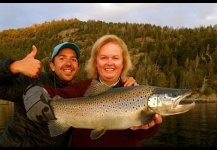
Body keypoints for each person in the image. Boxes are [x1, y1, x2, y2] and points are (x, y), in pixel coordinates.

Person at [0, 41, 137, 147]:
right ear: (52, 65)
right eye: (62, 58)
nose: (68, 63)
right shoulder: (32, 80)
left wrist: (127, 89)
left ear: (77, 66)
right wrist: (14, 66)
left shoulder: (78, 91)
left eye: (73, 59)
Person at [34, 34, 163, 147]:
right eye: (104, 57)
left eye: (115, 58)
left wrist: (149, 126)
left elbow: (140, 135)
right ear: (96, 62)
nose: (109, 63)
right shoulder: (81, 88)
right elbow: (52, 93)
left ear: (123, 63)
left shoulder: (134, 91)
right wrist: (36, 93)